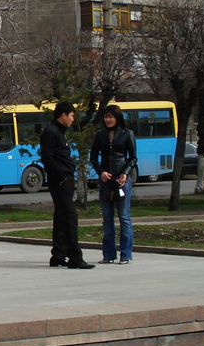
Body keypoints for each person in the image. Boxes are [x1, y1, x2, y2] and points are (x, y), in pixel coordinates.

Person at [39, 101, 93, 269]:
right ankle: (75, 258)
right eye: (71, 116)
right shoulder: (51, 132)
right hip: (60, 181)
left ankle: (58, 255)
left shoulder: (60, 132)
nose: (72, 119)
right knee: (70, 218)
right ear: (63, 115)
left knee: (61, 218)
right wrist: (61, 177)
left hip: (65, 179)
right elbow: (47, 158)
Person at [89, 104, 137, 264]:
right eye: (106, 117)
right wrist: (101, 172)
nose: (108, 120)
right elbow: (94, 157)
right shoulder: (100, 135)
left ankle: (126, 254)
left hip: (121, 180)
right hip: (105, 180)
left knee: (124, 217)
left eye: (111, 116)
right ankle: (108, 254)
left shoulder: (127, 134)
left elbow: (133, 157)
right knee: (107, 218)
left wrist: (125, 173)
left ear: (117, 118)